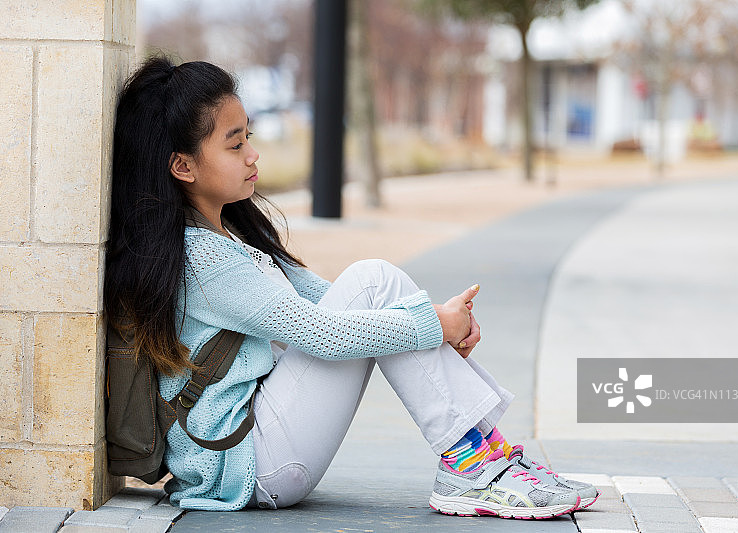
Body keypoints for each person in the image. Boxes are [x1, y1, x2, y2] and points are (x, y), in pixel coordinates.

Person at [104, 56, 598, 519]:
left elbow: (326, 298)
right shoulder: (202, 260)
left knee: (375, 281)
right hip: (248, 464)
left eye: (248, 137)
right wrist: (433, 325)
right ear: (183, 166)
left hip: (257, 446)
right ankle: (475, 466)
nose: (254, 154)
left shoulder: (226, 233)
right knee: (373, 280)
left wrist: (435, 323)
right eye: (234, 145)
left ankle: (481, 459)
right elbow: (322, 334)